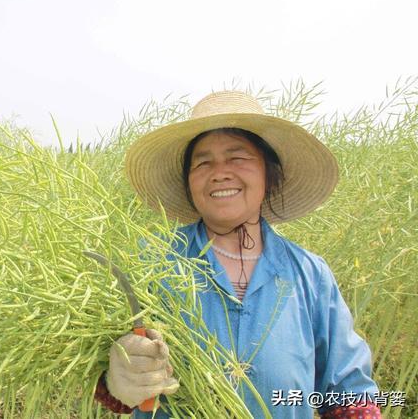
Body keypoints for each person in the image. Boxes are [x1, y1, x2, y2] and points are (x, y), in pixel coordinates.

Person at [93, 91, 381, 418]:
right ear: (188, 183)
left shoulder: (310, 276)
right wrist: (117, 382)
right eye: (203, 162)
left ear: (269, 176)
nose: (220, 172)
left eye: (238, 157)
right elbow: (99, 376)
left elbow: (349, 396)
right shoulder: (148, 262)